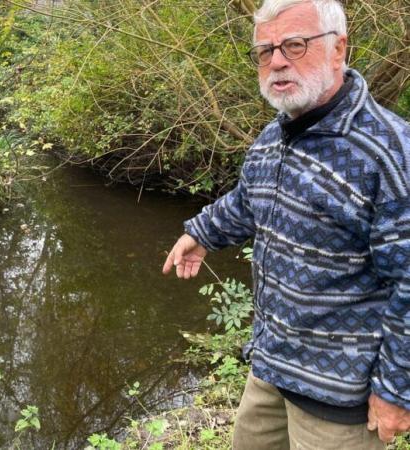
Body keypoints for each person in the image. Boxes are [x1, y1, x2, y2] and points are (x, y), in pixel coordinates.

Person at [161, 0, 410, 448]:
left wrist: (396, 391)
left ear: (339, 49)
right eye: (265, 50)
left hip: (339, 401)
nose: (276, 61)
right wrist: (200, 232)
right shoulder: (274, 135)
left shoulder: (390, 154)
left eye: (295, 45)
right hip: (270, 368)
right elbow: (248, 200)